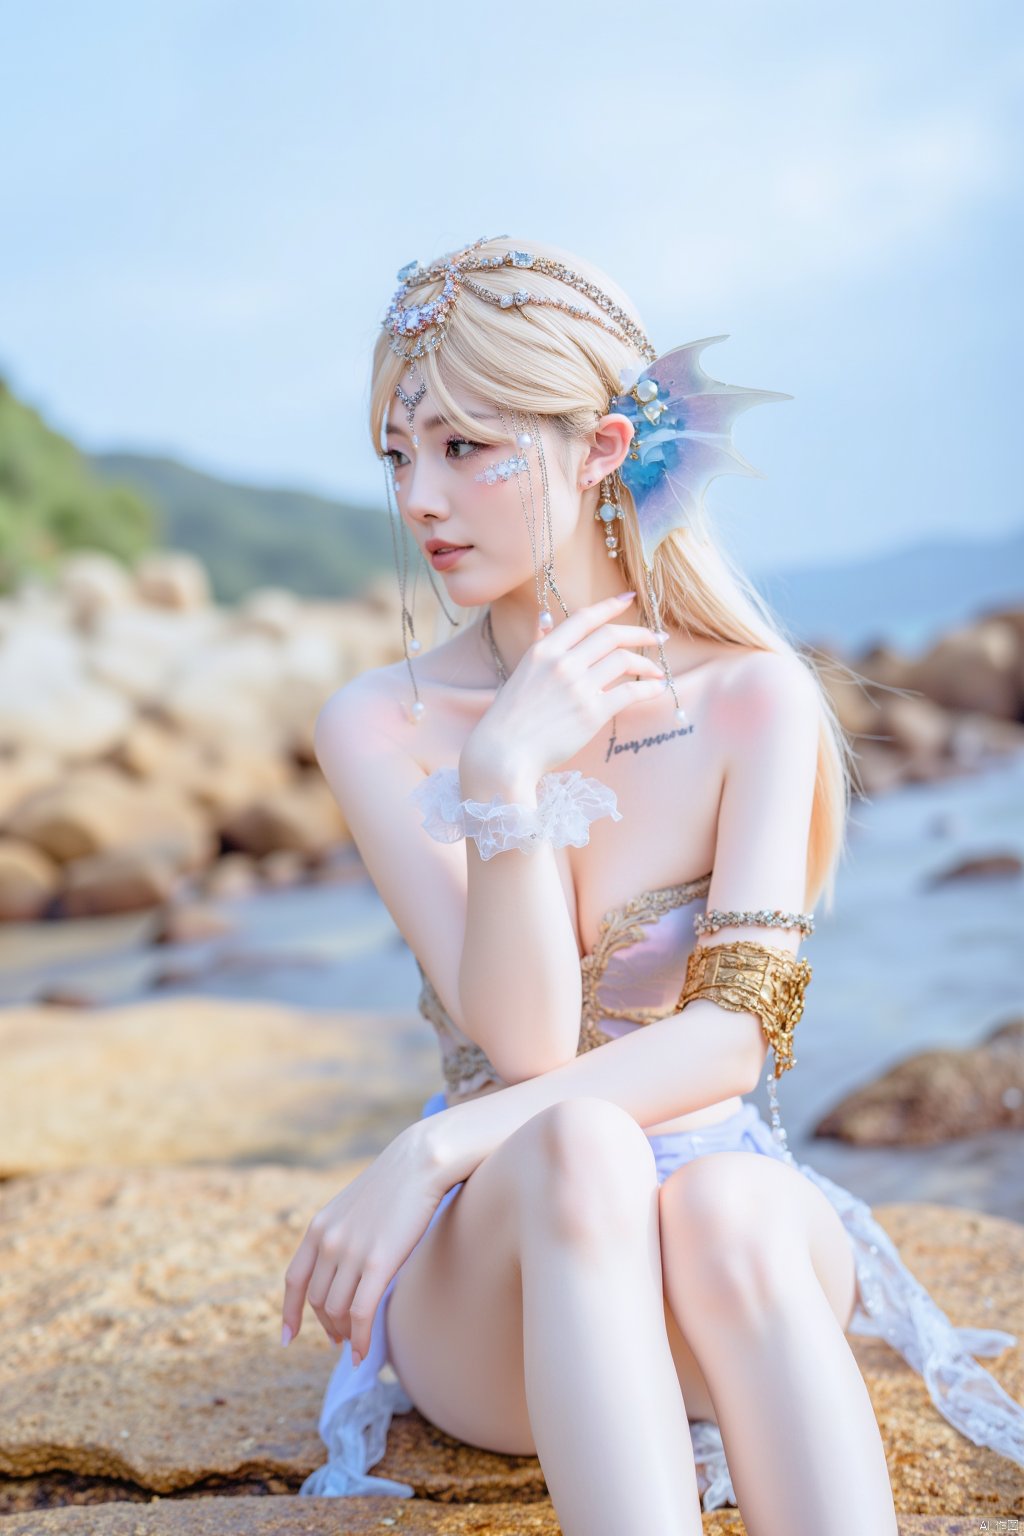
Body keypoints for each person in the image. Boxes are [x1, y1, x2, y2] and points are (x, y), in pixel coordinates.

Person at [282, 234, 1024, 1534]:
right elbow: (519, 1044)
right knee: (579, 1143)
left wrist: (426, 1144)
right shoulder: (380, 721)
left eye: (466, 447)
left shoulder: (753, 698)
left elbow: (734, 1042)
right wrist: (506, 772)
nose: (421, 499)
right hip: (507, 1277)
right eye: (399, 454)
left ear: (604, 451)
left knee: (736, 1202)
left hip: (714, 1245)